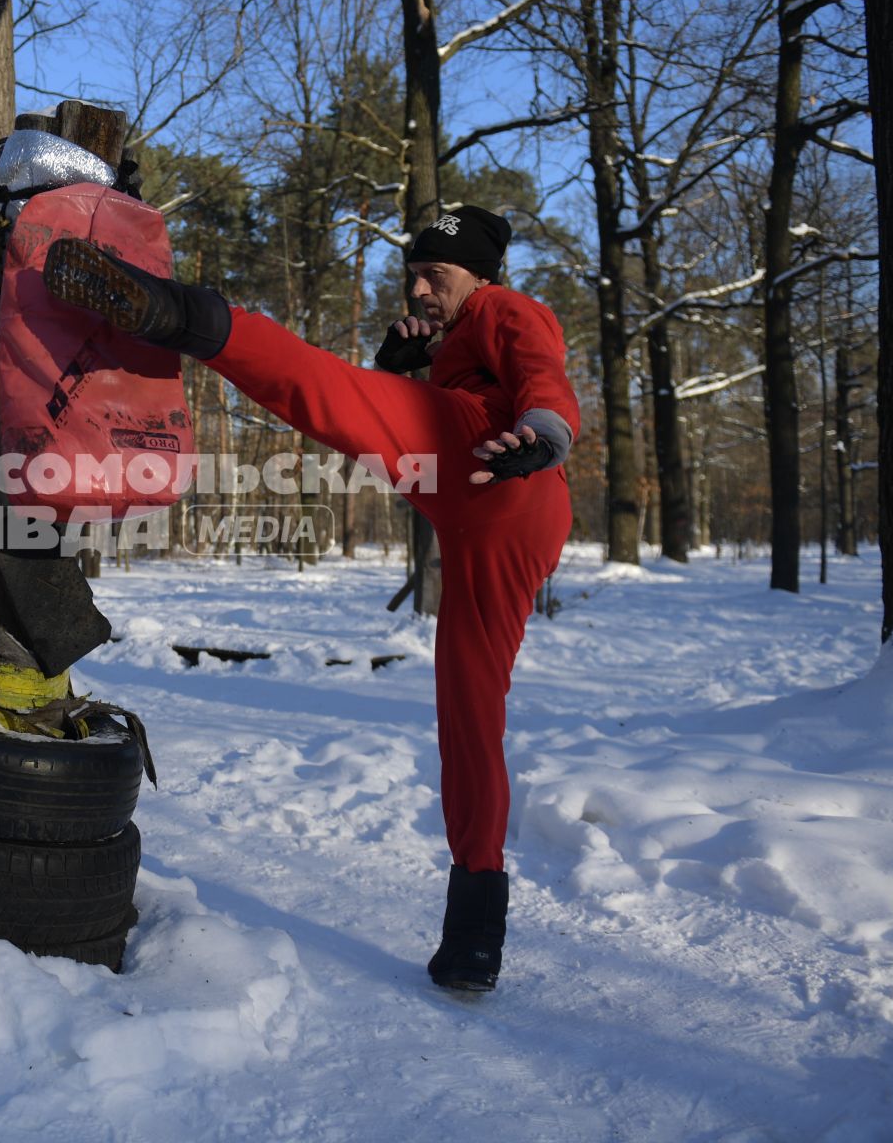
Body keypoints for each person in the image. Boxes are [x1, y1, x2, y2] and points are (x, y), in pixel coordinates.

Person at [42, 205, 577, 992]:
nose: (423, 288)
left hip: (499, 461)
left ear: (480, 274)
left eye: (440, 273)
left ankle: (176, 311)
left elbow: (543, 369)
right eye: (415, 274)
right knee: (470, 717)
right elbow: (406, 408)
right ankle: (475, 935)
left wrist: (544, 430)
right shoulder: (452, 342)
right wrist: (403, 366)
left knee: (324, 388)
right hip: (498, 521)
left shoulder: (504, 306)